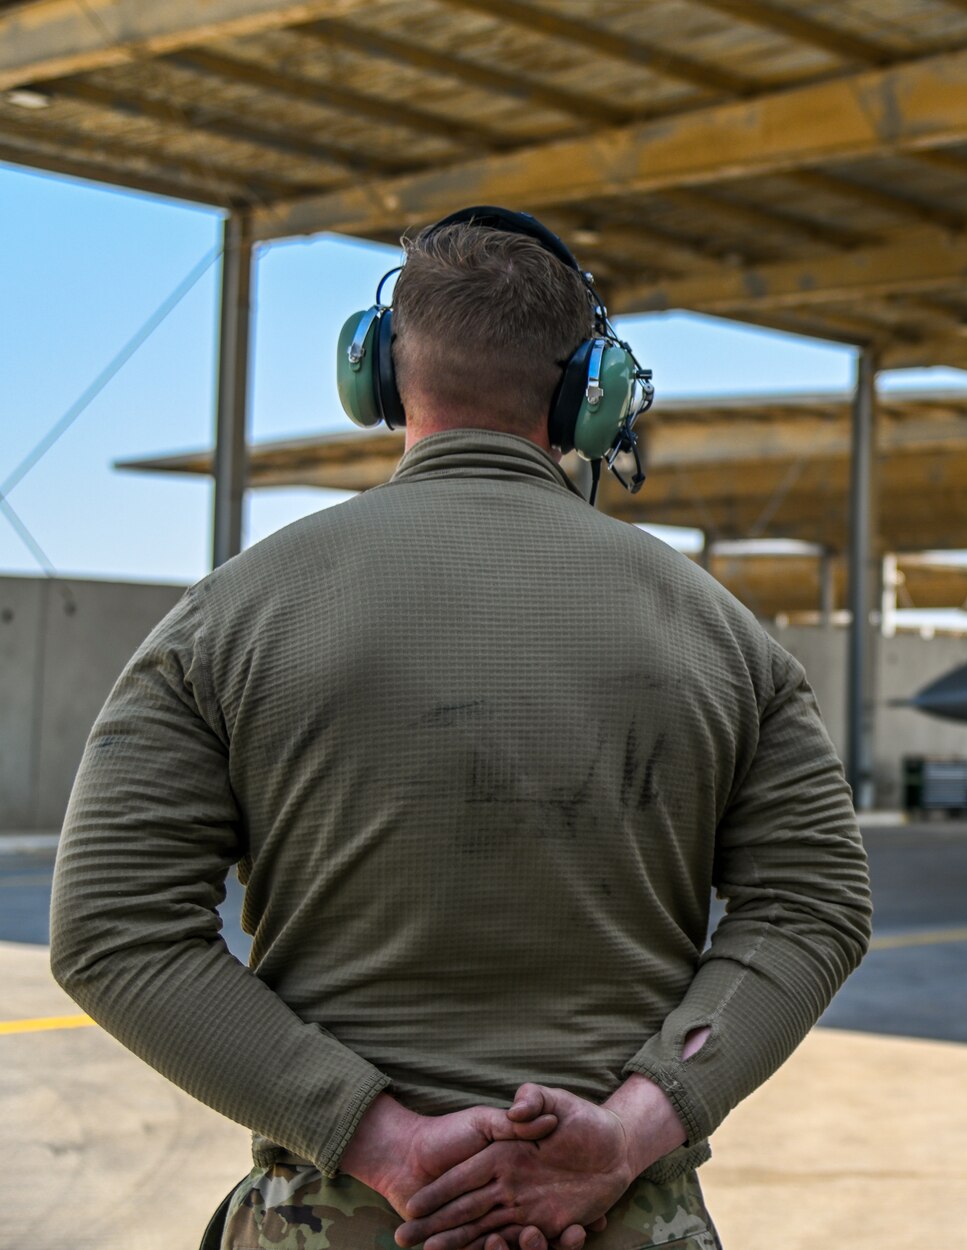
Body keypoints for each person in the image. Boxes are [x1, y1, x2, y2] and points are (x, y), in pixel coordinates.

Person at [47, 209, 872, 1250]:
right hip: (616, 1219)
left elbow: (111, 931)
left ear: (379, 374)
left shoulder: (228, 616)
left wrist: (379, 1139)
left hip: (340, 1220)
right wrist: (626, 1130)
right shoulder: (723, 636)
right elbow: (816, 906)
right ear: (590, 394)